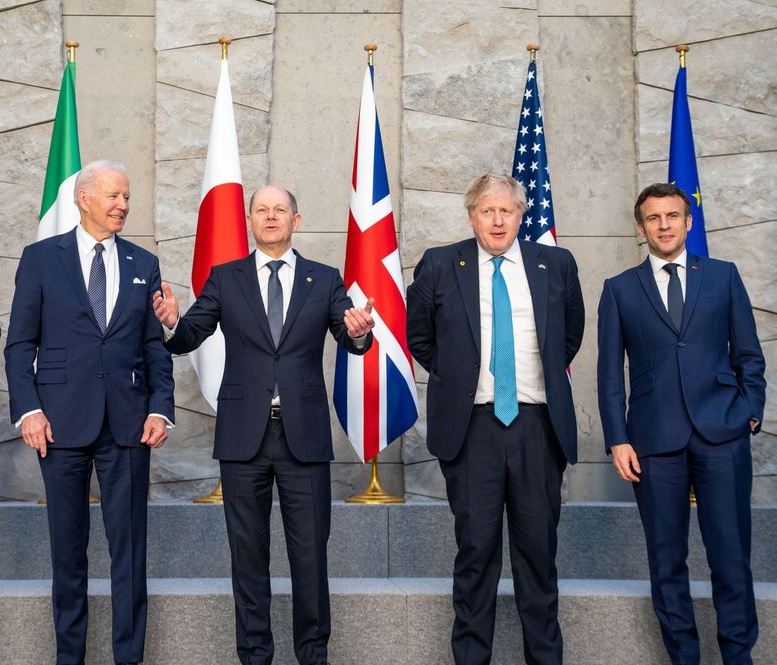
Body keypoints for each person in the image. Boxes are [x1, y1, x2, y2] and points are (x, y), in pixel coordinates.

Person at [152, 184, 374, 665]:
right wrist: (170, 321)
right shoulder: (225, 278)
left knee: (310, 557)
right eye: (261, 210)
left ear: (297, 220)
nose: (270, 217)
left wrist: (360, 333)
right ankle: (254, 655)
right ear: (250, 221)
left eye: (280, 210)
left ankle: (312, 654)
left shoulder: (324, 278)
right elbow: (192, 332)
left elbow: (348, 333)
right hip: (243, 436)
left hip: (304, 438)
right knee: (247, 557)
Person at [406, 172, 584, 665]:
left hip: (537, 428)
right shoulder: (442, 264)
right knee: (476, 558)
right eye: (488, 210)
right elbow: (418, 336)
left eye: (507, 210)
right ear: (472, 217)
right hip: (472, 431)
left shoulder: (555, 264)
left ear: (522, 215)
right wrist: (460, 376)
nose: (498, 219)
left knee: (538, 561)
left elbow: (569, 335)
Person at [4, 161, 174, 665]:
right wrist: (29, 410)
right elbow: (19, 346)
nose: (123, 204)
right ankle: (69, 657)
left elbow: (153, 347)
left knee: (129, 555)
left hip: (128, 425)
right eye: (113, 196)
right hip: (58, 424)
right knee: (68, 554)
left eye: (126, 196)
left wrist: (161, 409)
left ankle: (129, 657)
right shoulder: (40, 260)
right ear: (83, 199)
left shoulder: (144, 262)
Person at [597, 183, 765, 664]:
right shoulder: (620, 289)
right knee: (667, 562)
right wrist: (617, 439)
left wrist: (748, 413)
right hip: (653, 442)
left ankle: (738, 656)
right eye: (653, 218)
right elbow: (610, 374)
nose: (664, 225)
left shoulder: (723, 277)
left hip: (722, 434)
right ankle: (684, 658)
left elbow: (749, 356)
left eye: (673, 216)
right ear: (641, 227)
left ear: (689, 222)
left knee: (730, 557)